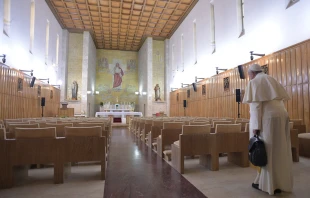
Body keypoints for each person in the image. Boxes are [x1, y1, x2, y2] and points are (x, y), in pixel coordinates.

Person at [243, 64, 293, 195]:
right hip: (282, 115)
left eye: (249, 75)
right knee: (280, 149)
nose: (249, 78)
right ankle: (279, 182)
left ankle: (269, 185)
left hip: (268, 118)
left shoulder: (254, 82)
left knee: (267, 150)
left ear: (252, 73)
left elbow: (256, 107)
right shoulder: (271, 79)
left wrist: (255, 127)